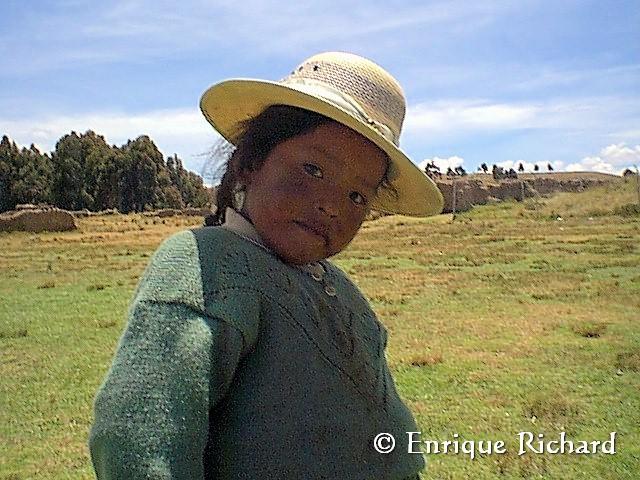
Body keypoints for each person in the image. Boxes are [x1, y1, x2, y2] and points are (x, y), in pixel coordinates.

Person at [89, 51, 443, 479]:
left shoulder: (341, 289)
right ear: (250, 162)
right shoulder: (206, 268)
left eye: (357, 196)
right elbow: (139, 438)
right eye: (314, 169)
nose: (332, 205)